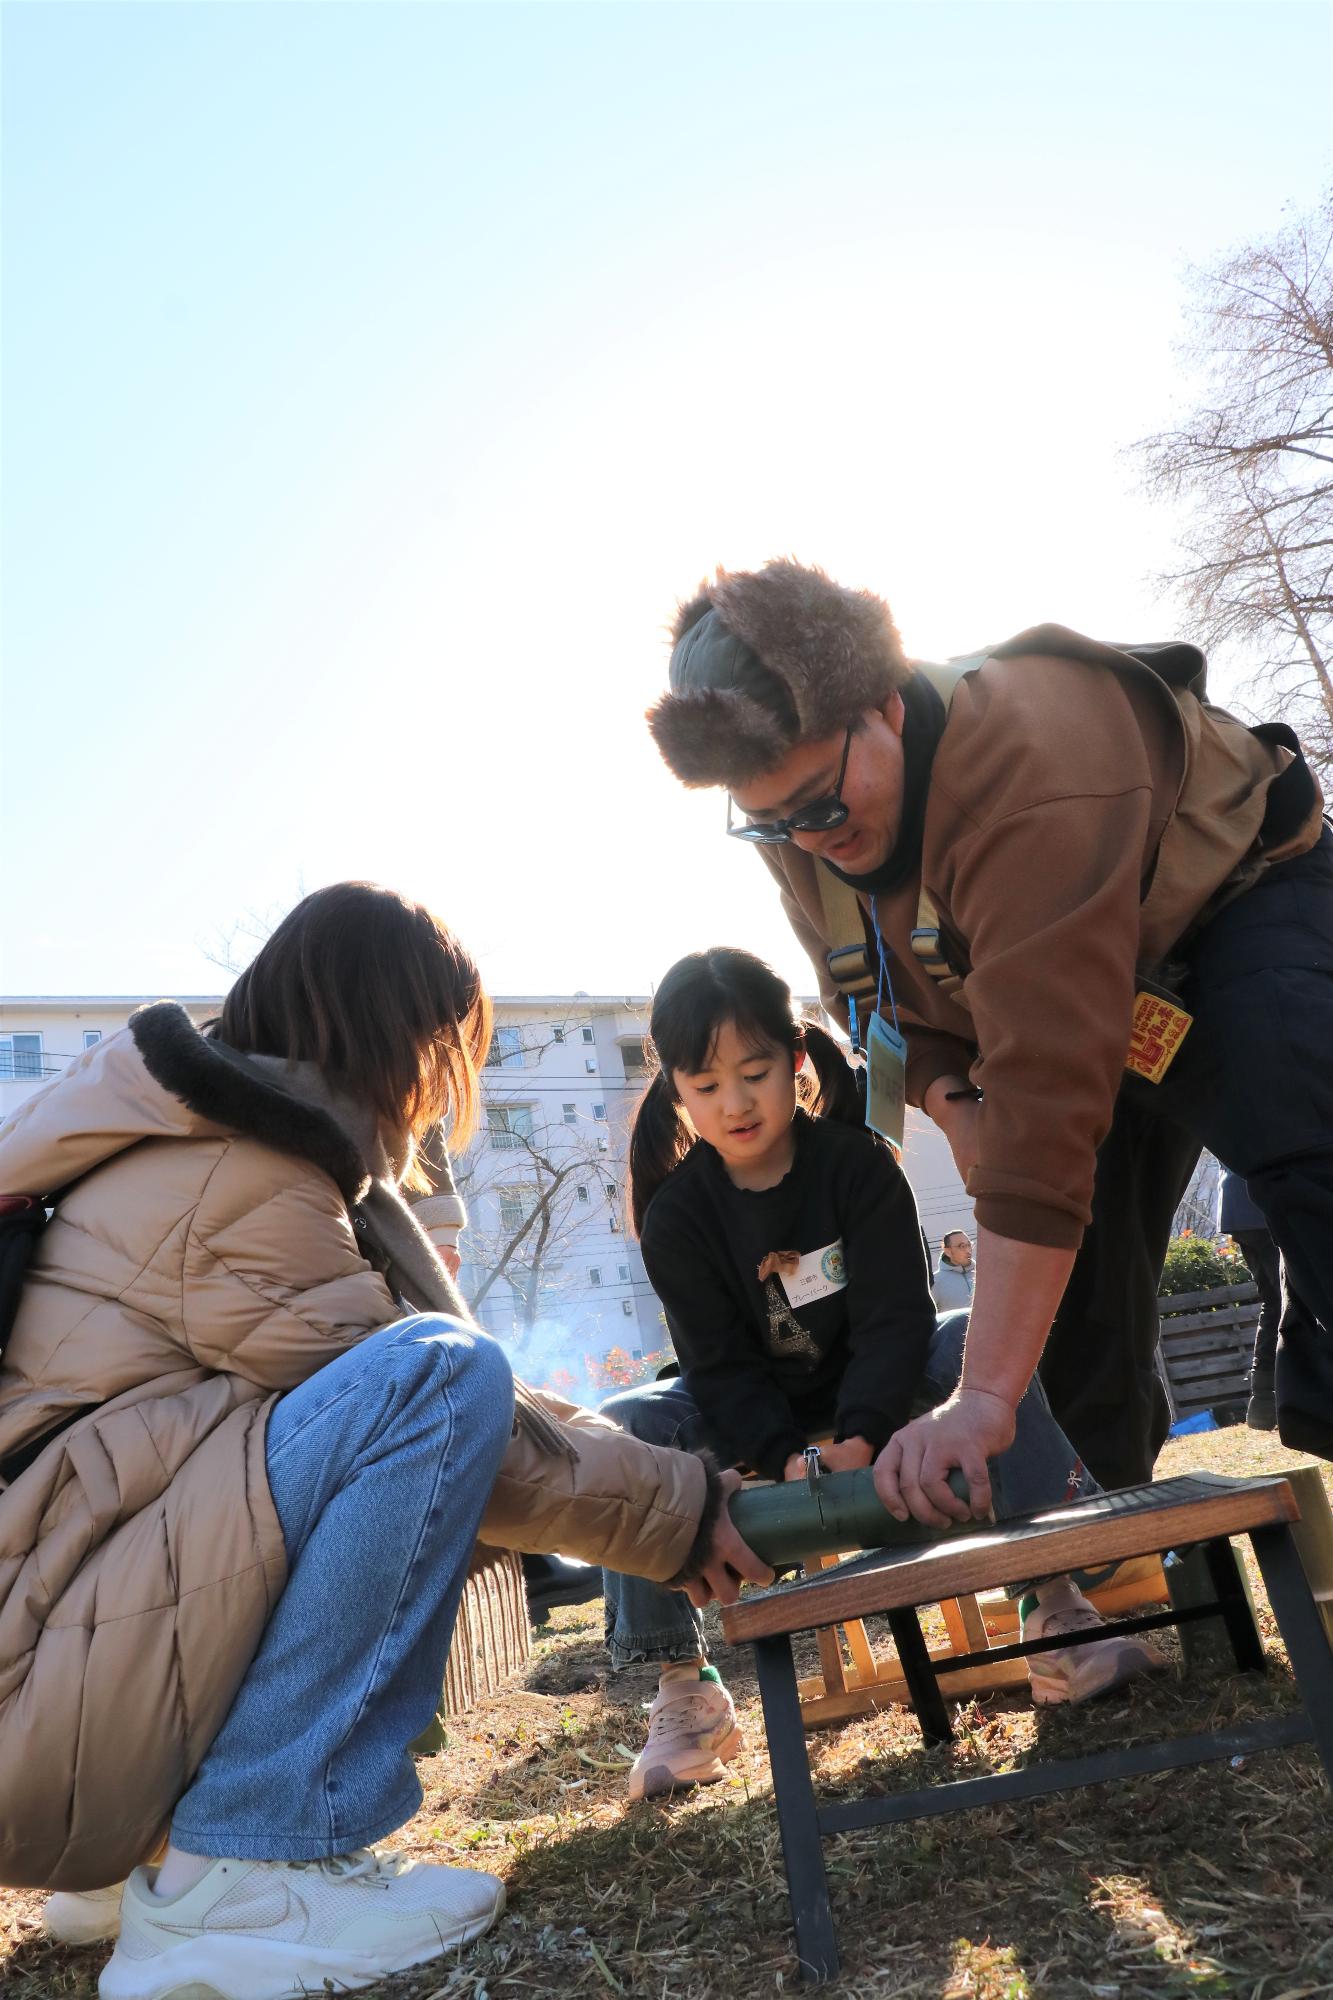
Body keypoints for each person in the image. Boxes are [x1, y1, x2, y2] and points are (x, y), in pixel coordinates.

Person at [0, 883, 769, 2000]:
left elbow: (463, 1411)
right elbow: (457, 1424)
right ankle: (250, 1863)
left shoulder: (172, 1136)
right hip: (44, 1693)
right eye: (443, 1050)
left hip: (49, 1657)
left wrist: (667, 1484)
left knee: (414, 1382)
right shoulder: (234, 1178)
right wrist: (686, 1510)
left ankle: (151, 1864)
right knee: (435, 1374)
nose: (439, 1090)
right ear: (395, 1034)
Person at [646, 560, 1330, 1514]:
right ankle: (1114, 1553)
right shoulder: (804, 820)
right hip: (1065, 1001)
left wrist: (980, 1398)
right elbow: (874, 1001)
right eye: (768, 823)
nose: (806, 840)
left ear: (883, 708)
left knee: (1301, 1131)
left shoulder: (1025, 769)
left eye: (819, 806)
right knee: (1070, 1315)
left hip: (1237, 908)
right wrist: (952, 1101)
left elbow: (1047, 1099)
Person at [599, 947, 1163, 1800]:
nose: (735, 1103)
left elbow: (896, 1316)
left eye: (754, 1073)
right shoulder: (678, 1214)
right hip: (752, 1413)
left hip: (883, 1384)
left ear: (795, 1060)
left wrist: (860, 1434)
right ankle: (683, 1685)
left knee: (963, 1338)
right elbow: (719, 1365)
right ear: (675, 1087)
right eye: (706, 1085)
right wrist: (784, 1457)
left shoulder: (856, 1164)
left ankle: (1051, 1603)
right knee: (628, 1426)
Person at [932, 1230, 974, 1311]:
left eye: (969, 1245)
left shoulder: (983, 1274)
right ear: (948, 1252)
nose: (968, 1250)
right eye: (962, 1246)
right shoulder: (935, 1281)